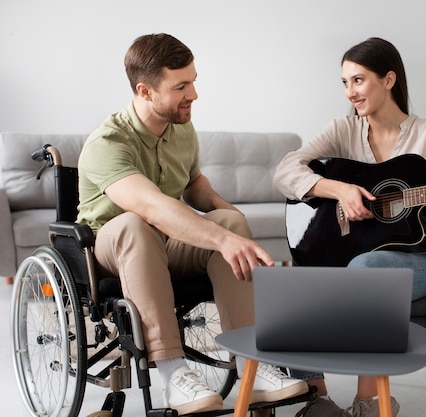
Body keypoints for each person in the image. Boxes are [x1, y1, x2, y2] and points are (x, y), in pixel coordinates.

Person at [77, 33, 308, 415]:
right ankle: (173, 376)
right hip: (112, 246)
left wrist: (225, 214)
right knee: (137, 225)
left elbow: (193, 185)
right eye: (181, 86)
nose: (194, 94)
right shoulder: (108, 143)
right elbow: (153, 208)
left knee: (229, 221)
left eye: (194, 80)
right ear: (145, 91)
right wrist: (221, 239)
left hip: (166, 244)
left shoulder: (182, 128)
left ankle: (255, 367)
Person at [273, 37, 426, 417]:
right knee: (295, 282)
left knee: (365, 271)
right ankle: (315, 399)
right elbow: (284, 171)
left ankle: (370, 402)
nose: (350, 92)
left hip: (424, 261)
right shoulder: (342, 130)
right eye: (345, 83)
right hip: (354, 253)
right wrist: (340, 190)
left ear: (389, 79)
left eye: (358, 81)